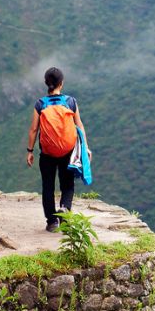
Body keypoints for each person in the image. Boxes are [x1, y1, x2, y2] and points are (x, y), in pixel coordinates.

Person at [27, 67, 91, 232]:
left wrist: (29, 151)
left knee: (48, 186)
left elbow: (34, 129)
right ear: (61, 83)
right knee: (67, 185)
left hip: (47, 153)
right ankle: (65, 212)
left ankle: (51, 221)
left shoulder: (40, 104)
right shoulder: (71, 102)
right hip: (67, 152)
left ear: (46, 83)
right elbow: (79, 125)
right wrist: (85, 148)